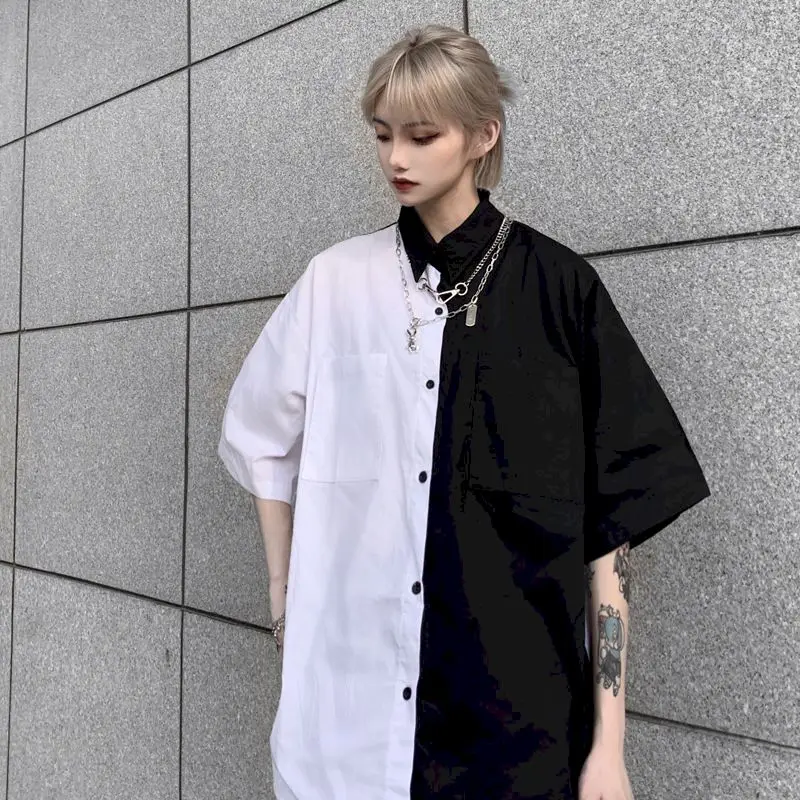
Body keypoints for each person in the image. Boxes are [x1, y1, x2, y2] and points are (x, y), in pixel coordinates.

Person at [217, 23, 711, 800]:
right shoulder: (335, 284)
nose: (396, 158)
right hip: (350, 728)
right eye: (382, 134)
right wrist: (284, 602)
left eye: (422, 136)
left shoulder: (561, 292)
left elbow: (610, 533)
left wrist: (608, 747)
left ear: (483, 135)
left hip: (516, 738)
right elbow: (260, 439)